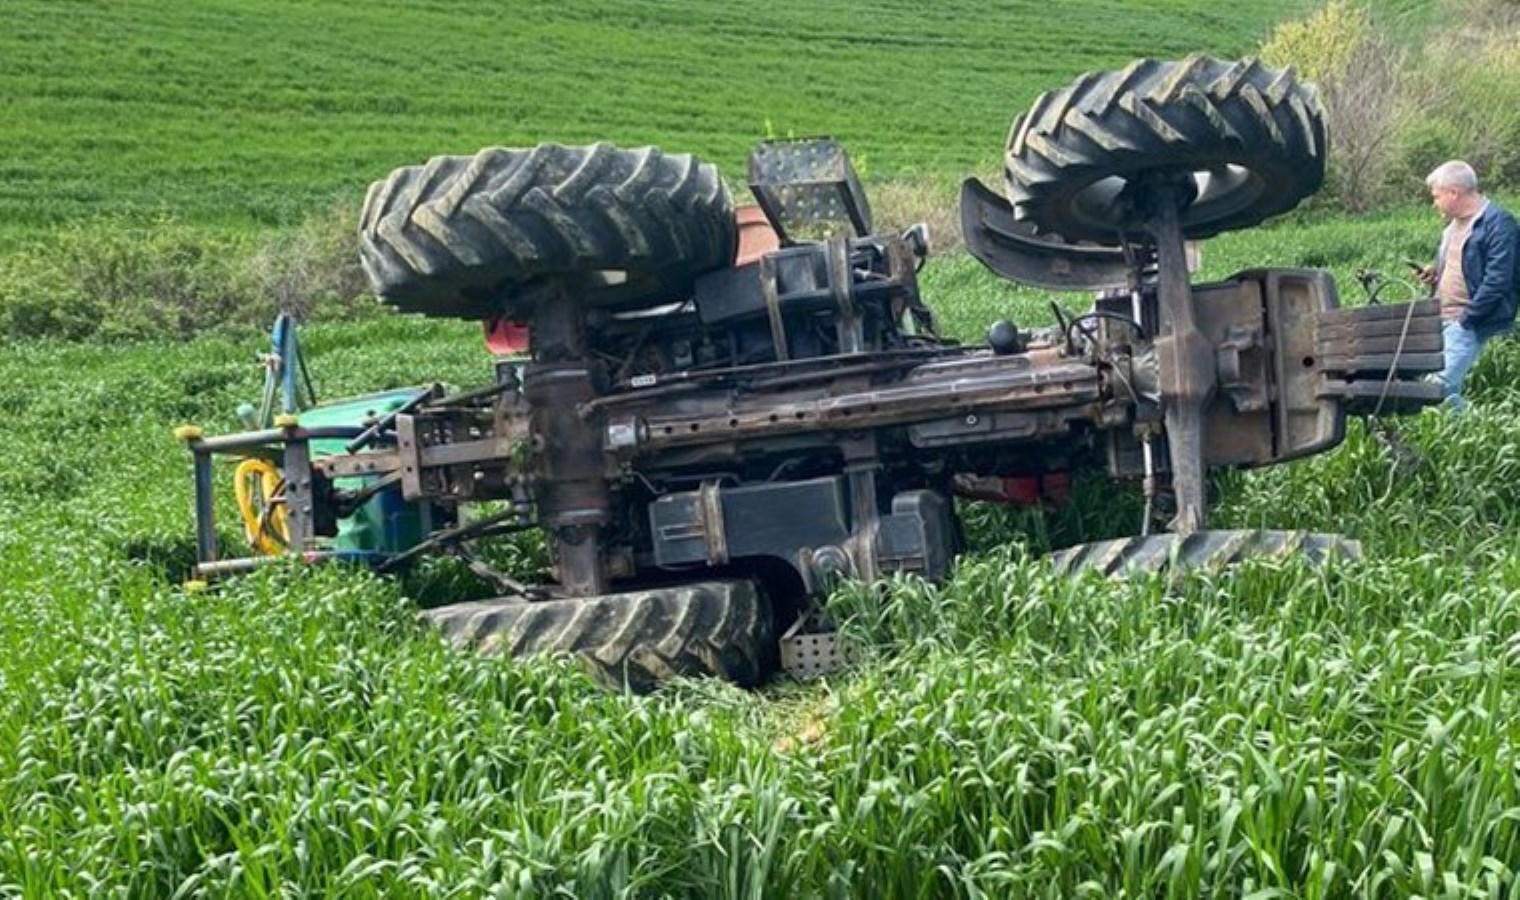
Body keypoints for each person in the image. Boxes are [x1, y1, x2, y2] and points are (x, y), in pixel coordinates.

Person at [1415, 160, 1519, 410]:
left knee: (1436, 387)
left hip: (1467, 321)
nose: (1434, 203)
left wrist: (1467, 319)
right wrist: (1435, 274)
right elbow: (1462, 264)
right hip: (1441, 317)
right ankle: (1463, 435)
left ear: (1454, 193)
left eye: (1436, 196)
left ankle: (1487, 435)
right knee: (1440, 390)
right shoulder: (1452, 226)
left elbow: (1498, 280)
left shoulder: (1498, 223)